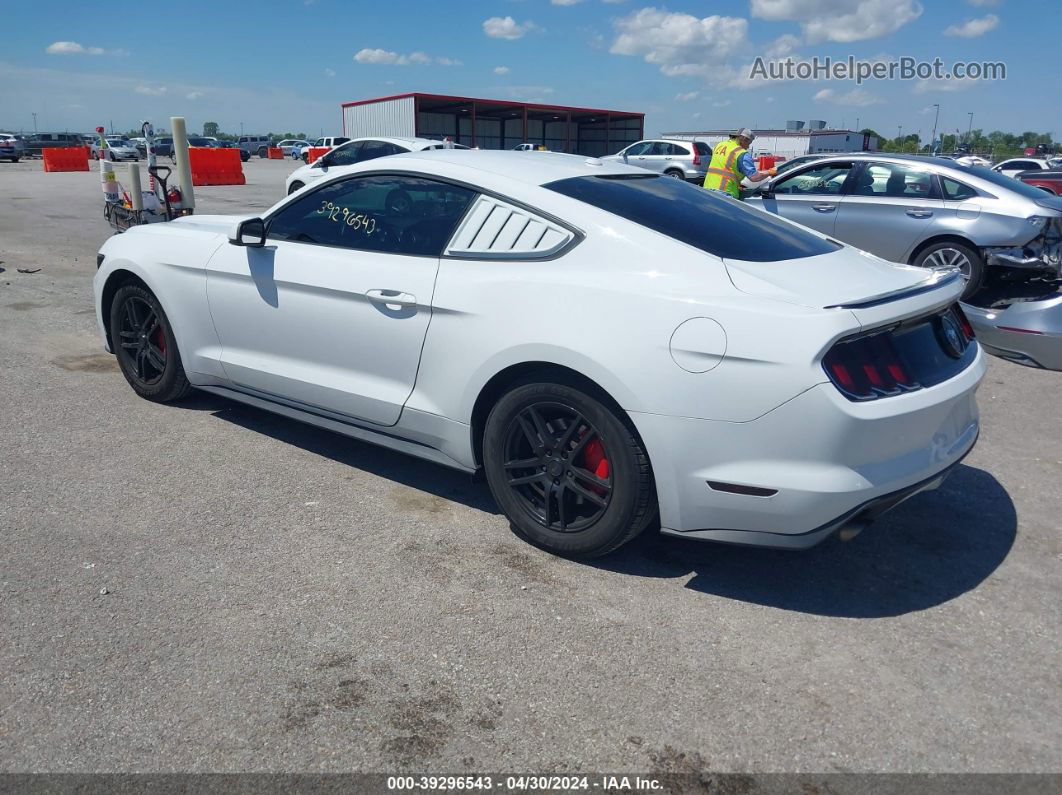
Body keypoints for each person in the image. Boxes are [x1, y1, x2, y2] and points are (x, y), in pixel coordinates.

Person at [702, 128, 776, 199]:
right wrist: (770, 172)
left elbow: (723, 166)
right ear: (744, 140)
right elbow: (754, 177)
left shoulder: (720, 145)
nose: (748, 146)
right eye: (748, 143)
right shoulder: (741, 153)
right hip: (725, 192)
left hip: (707, 189)